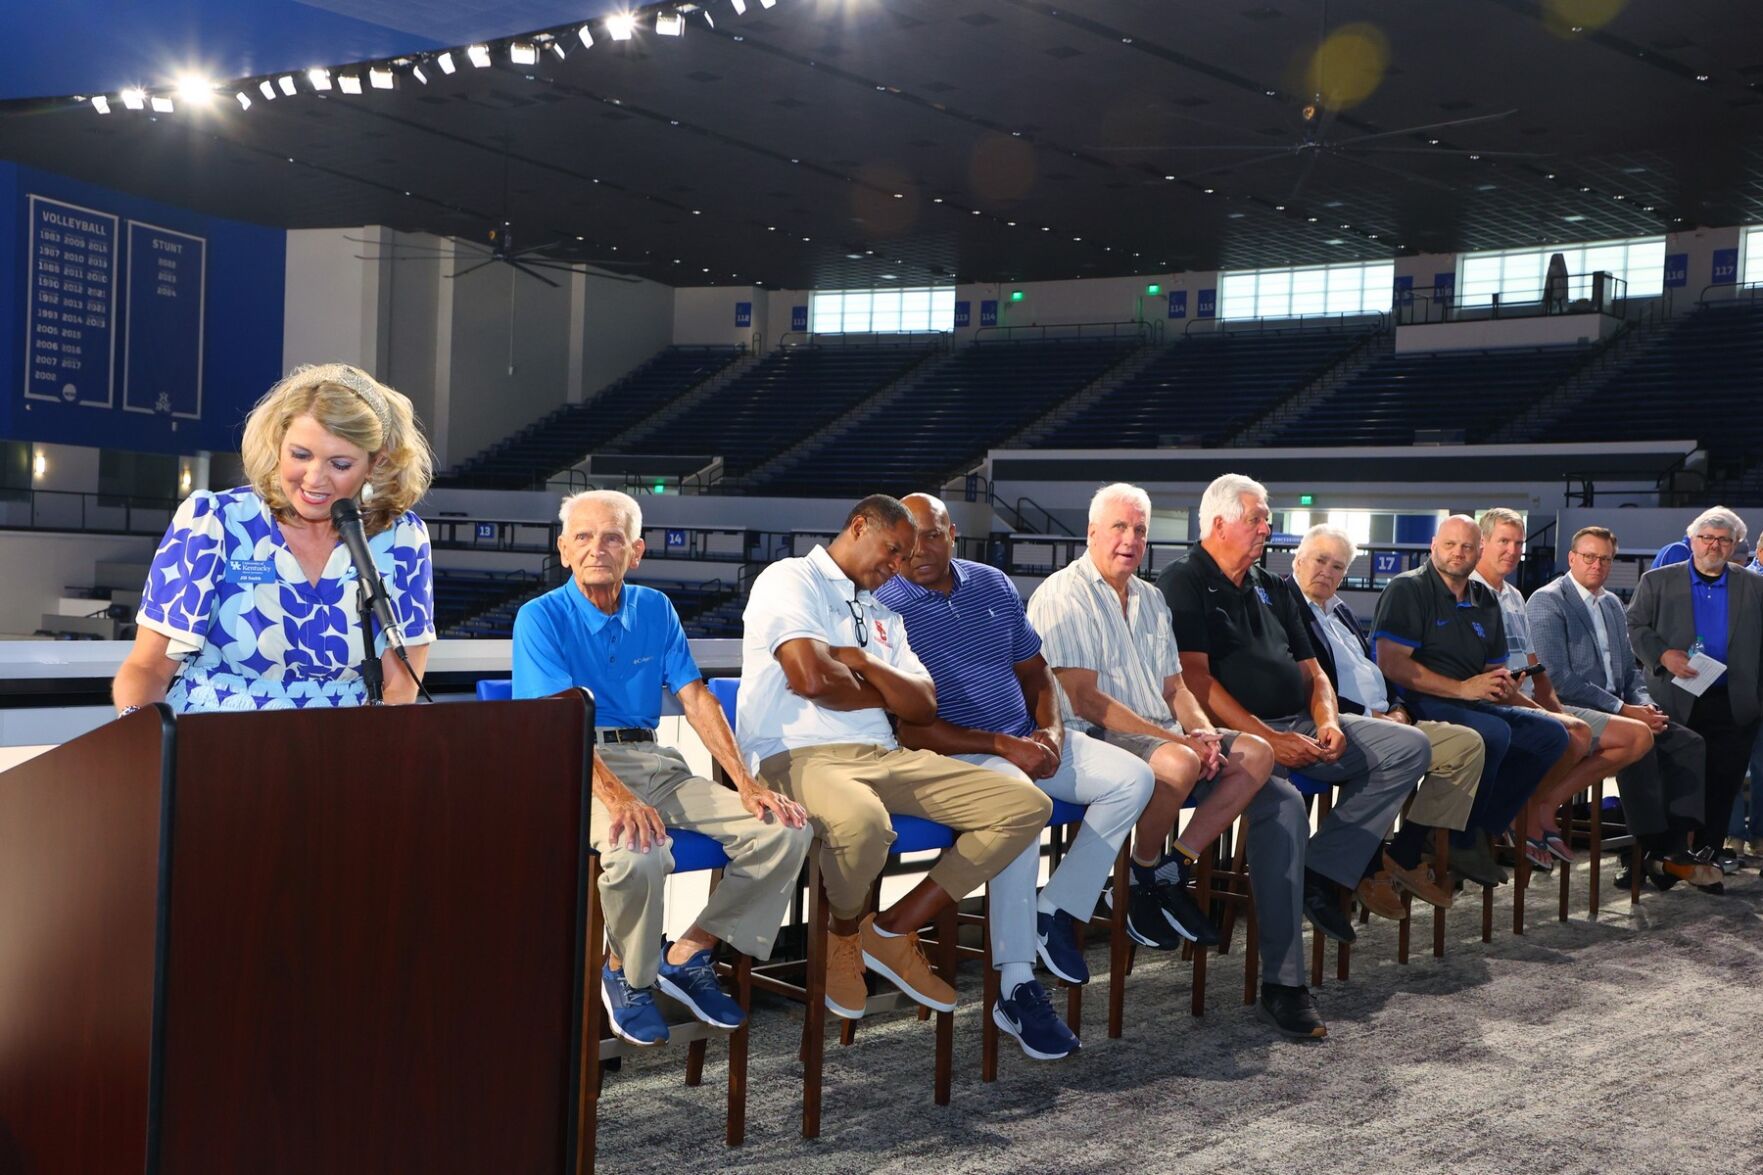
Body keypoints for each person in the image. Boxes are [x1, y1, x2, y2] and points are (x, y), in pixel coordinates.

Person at [513, 490, 812, 1046]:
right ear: (563, 550)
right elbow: (559, 720)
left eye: (612, 537)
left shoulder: (655, 608)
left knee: (786, 830)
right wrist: (620, 798)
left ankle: (690, 952)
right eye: (582, 536)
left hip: (656, 760)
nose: (596, 548)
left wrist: (747, 784)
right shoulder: (540, 617)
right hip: (581, 762)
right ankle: (627, 974)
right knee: (639, 850)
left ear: (637, 551)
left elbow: (697, 698)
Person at [739, 494, 1053, 1022]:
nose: (898, 566)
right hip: (798, 755)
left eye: (904, 556)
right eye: (892, 551)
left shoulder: (884, 608)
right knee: (864, 824)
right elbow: (810, 678)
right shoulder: (791, 578)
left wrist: (859, 663)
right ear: (858, 526)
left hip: (885, 754)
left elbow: (923, 703)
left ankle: (888, 931)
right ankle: (842, 934)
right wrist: (886, 686)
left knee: (1024, 803)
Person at [1028, 486, 1323, 1042]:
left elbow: (1175, 685)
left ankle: (1171, 867)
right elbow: (1086, 701)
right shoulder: (1062, 594)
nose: (1130, 540)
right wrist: (1176, 737)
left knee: (1256, 753)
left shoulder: (1148, 597)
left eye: (1139, 530)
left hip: (1156, 732)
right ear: (1091, 533)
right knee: (1177, 763)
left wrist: (1202, 729)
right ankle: (1142, 871)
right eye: (1119, 528)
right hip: (1098, 735)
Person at [878, 494, 1154, 1060]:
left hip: (1027, 740)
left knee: (1132, 779)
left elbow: (1035, 672)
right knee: (1021, 804)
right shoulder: (884, 603)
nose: (918, 552)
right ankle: (1017, 982)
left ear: (953, 533)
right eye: (905, 541)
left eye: (931, 536)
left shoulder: (991, 584)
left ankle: (1057, 911)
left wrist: (1050, 734)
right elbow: (909, 729)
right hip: (960, 755)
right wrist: (1005, 745)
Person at [1158, 476, 1431, 941]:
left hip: (1300, 724)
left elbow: (1314, 673)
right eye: (1256, 519)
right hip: (1236, 738)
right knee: (1285, 809)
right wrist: (1269, 739)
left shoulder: (1272, 586)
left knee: (1410, 747)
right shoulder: (1184, 579)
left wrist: (1328, 720)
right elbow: (1196, 682)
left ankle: (1322, 869)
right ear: (1219, 523)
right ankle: (1284, 982)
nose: (1267, 528)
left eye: (1267, 518)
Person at [115, 363, 435, 713]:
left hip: (342, 749)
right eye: (300, 455)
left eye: (339, 464)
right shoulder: (215, 522)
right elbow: (146, 669)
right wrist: (142, 745)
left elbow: (400, 686)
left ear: (375, 464)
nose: (314, 479)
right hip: (213, 742)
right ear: (277, 445)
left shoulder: (401, 538)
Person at [1370, 516, 1570, 887]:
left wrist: (1502, 684)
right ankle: (1452, 839)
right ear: (1433, 546)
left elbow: (1493, 669)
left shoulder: (1486, 600)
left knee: (1551, 736)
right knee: (1492, 733)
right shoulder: (1408, 588)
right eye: (1450, 545)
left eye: (1466, 547)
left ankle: (1477, 831)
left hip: (1471, 702)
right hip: (1418, 701)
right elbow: (1392, 664)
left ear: (1479, 551)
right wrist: (1464, 689)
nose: (1457, 553)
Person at [1286, 524, 1477, 911]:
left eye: (1338, 566)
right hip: (1336, 723)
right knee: (1402, 753)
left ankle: (1404, 853)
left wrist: (1398, 707)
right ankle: (1360, 866)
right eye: (1321, 561)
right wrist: (1370, 715)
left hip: (1386, 719)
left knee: (1469, 745)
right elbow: (1301, 684)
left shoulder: (1339, 610)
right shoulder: (1286, 608)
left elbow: (1372, 669)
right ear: (1298, 559)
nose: (1328, 571)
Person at [1525, 526, 1720, 888]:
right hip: (1568, 708)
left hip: (1620, 709)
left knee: (1689, 743)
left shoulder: (1613, 604)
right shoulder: (1547, 600)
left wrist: (1645, 705)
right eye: (1589, 557)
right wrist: (1625, 711)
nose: (1597, 565)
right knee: (1640, 741)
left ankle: (1675, 847)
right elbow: (1558, 679)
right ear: (1571, 558)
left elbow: (1631, 672)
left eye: (1605, 559)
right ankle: (1648, 850)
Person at [1471, 508, 1653, 870]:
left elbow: (1538, 671)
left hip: (1526, 698)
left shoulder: (1514, 596)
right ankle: (1525, 810)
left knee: (1665, 739)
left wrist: (1551, 706)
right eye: (1503, 541)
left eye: (1518, 543)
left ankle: (1657, 845)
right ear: (1483, 544)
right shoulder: (1529, 597)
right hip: (1496, 702)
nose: (1512, 550)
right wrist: (1555, 709)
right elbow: (1536, 677)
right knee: (1580, 734)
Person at [1626, 506, 1763, 887]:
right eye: (1706, 538)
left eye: (1723, 539)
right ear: (1691, 541)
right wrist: (1661, 655)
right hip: (1676, 699)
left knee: (1724, 784)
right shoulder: (1657, 581)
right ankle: (1666, 856)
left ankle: (1709, 860)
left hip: (1736, 703)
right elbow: (1635, 625)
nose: (1714, 545)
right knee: (1677, 782)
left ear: (1735, 545)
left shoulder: (1754, 586)